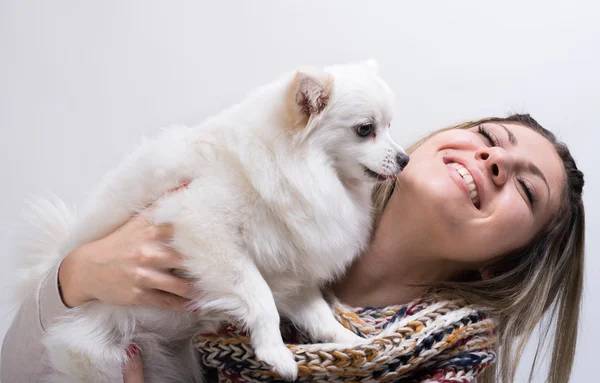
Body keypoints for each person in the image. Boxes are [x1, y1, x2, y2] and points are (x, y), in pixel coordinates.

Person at [1, 114, 585, 383]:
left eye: (527, 188)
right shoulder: (251, 212)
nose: (492, 158)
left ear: (499, 268)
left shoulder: (447, 372)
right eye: (486, 137)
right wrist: (72, 280)